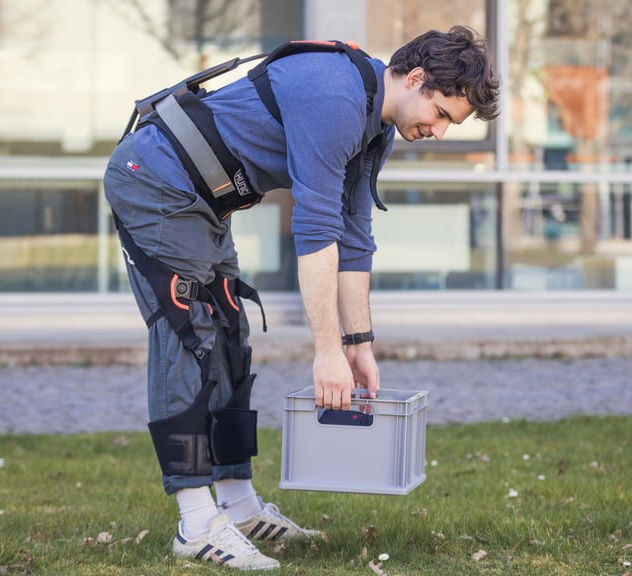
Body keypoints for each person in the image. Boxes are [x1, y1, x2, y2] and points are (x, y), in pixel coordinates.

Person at [103, 25, 499, 571]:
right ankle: (196, 523)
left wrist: (358, 343)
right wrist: (326, 350)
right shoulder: (335, 99)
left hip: (205, 200)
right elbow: (315, 231)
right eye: (444, 115)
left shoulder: (374, 126)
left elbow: (353, 234)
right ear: (416, 79)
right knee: (188, 336)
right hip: (154, 179)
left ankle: (238, 506)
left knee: (229, 337)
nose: (440, 131)